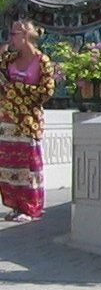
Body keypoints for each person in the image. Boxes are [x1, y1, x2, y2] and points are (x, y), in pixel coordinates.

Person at [1, 18, 56, 222]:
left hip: (28, 121)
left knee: (27, 167)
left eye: (14, 34)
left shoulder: (42, 61)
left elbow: (47, 90)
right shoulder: (8, 60)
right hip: (8, 120)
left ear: (25, 36)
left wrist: (16, 89)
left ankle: (30, 207)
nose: (11, 39)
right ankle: (15, 205)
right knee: (9, 166)